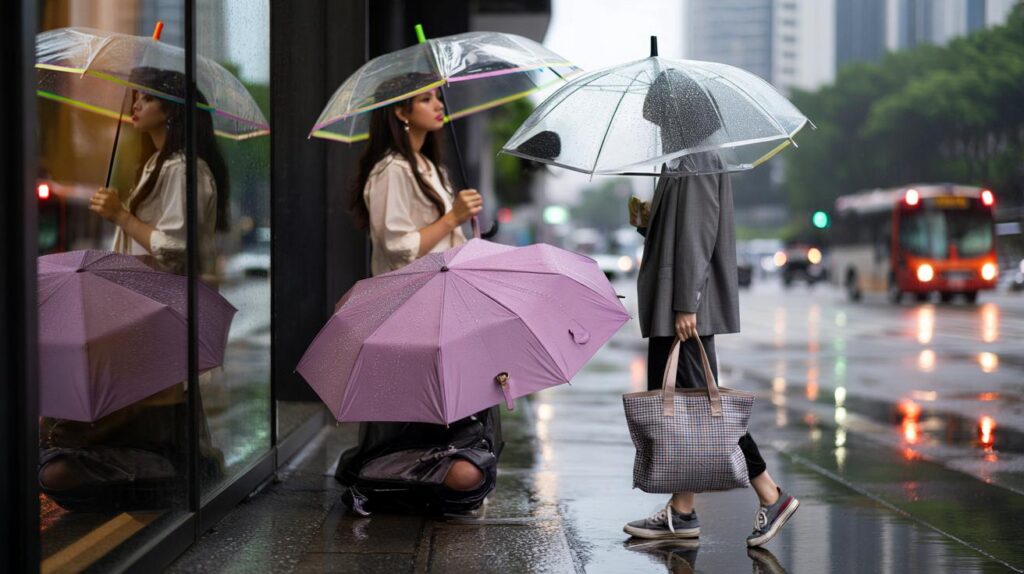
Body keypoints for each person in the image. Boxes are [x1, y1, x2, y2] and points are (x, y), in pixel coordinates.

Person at [624, 70, 799, 547]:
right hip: (675, 304)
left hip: (682, 307)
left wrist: (687, 304)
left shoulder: (698, 160)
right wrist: (649, 223)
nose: (657, 127)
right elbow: (682, 230)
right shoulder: (683, 159)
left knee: (704, 407)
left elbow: (699, 235)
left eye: (660, 118)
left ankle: (771, 495)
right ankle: (682, 513)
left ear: (679, 116)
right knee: (691, 408)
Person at [38, 68, 227, 511]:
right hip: (141, 313)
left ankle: (166, 475)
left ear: (172, 110)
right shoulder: (157, 166)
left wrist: (121, 215)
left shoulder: (185, 170)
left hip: (156, 314)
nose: (136, 105)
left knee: (136, 413)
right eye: (136, 97)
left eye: (147, 98)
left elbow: (175, 249)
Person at [334, 74, 502, 515]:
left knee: (447, 412)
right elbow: (399, 247)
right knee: (414, 415)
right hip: (407, 310)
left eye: (437, 97)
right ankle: (385, 482)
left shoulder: (430, 167)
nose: (438, 105)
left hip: (440, 308)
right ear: (400, 111)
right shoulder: (391, 169)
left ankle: (425, 480)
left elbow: (446, 244)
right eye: (425, 99)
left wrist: (468, 231)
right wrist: (452, 217)